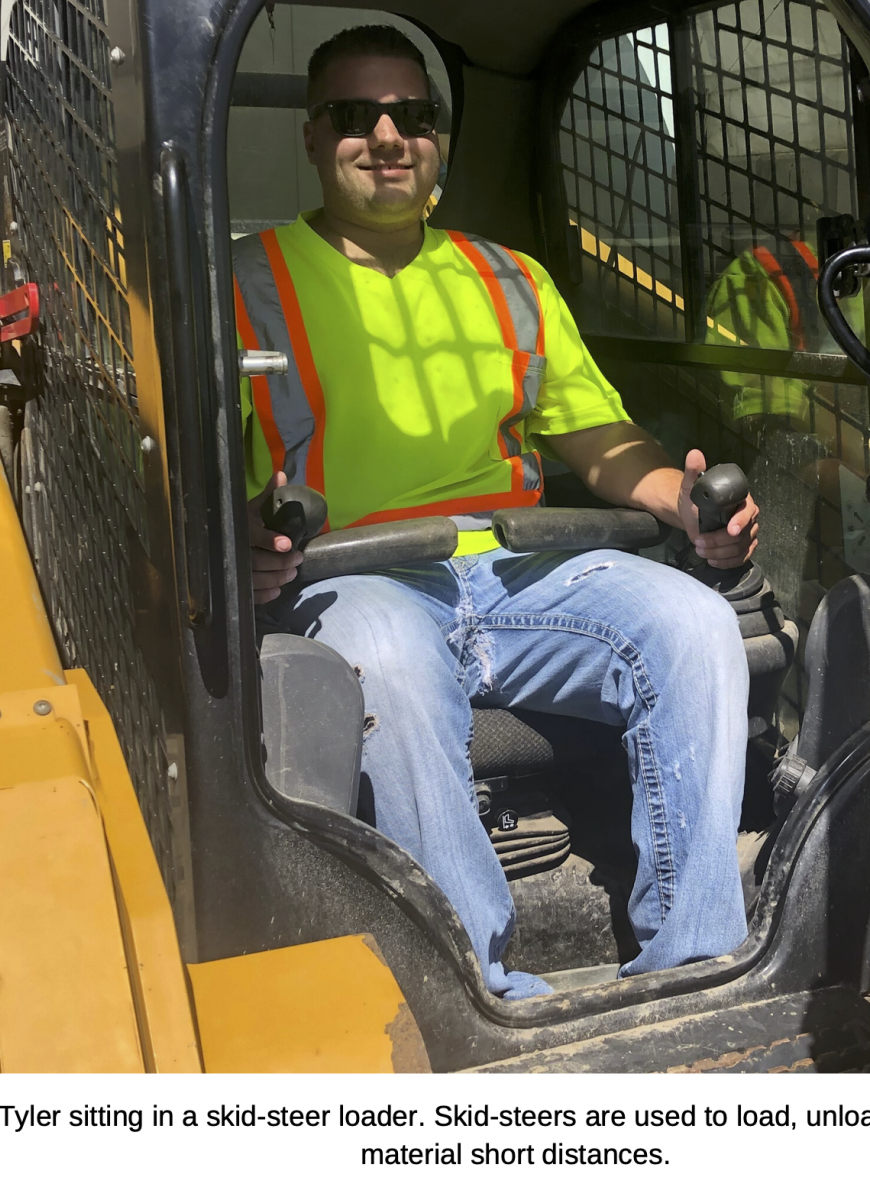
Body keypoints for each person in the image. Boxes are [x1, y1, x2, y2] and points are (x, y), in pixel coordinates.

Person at [233, 25, 758, 999]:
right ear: (312, 137)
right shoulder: (238, 285)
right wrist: (236, 544)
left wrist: (678, 502)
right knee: (384, 651)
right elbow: (195, 473)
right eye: (357, 116)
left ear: (439, 137)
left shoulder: (509, 278)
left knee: (692, 620)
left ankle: (693, 963)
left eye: (413, 116)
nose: (388, 136)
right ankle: (478, 988)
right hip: (352, 576)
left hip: (519, 573)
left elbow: (600, 442)